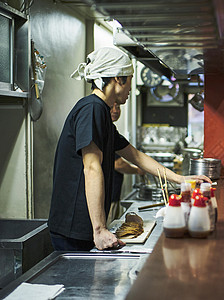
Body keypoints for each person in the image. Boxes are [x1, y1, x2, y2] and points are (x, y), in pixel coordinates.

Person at [48, 47, 210, 251]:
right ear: (118, 79)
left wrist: (180, 179)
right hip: (72, 229)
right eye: (130, 79)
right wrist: (99, 230)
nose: (130, 89)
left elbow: (135, 156)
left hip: (80, 228)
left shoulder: (101, 112)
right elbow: (91, 168)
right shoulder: (92, 109)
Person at [107, 102, 145, 225]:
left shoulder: (111, 131)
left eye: (117, 107)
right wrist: (137, 170)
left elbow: (136, 156)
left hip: (113, 195)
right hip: (108, 197)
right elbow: (118, 164)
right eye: (111, 107)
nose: (115, 110)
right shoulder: (105, 132)